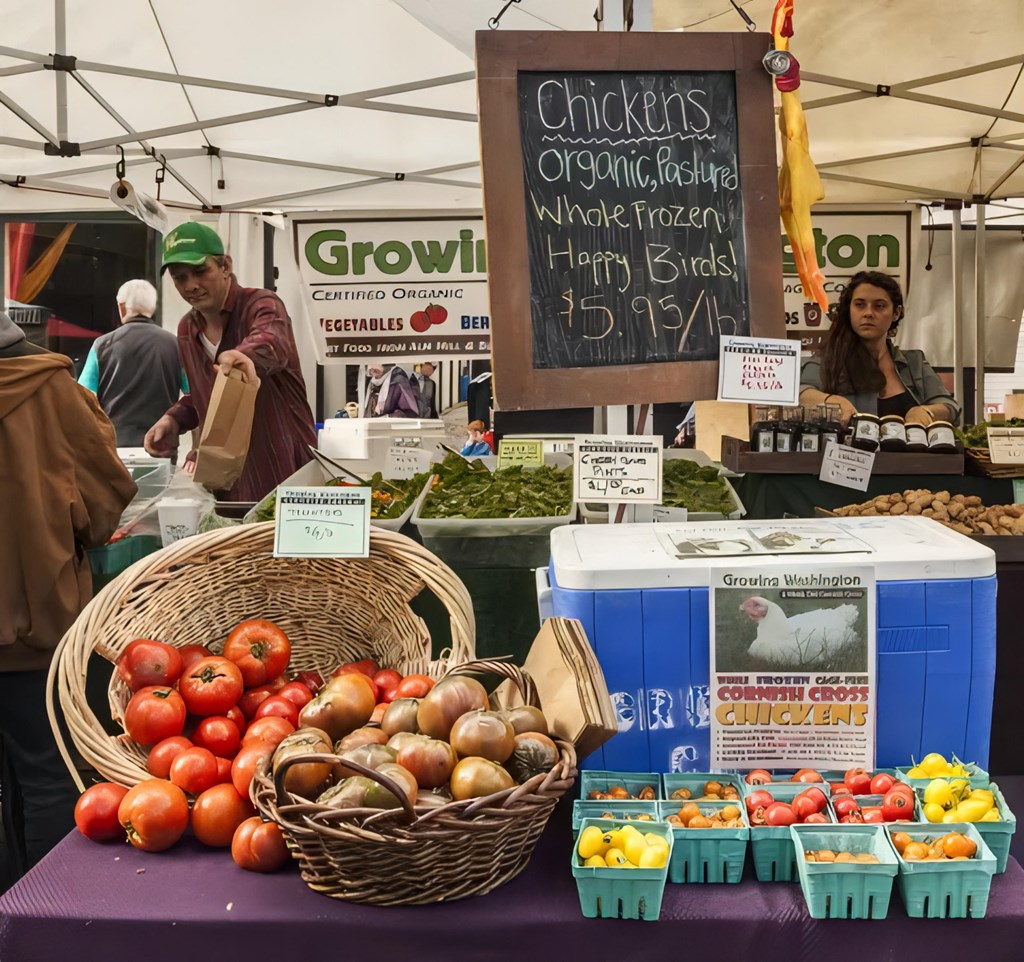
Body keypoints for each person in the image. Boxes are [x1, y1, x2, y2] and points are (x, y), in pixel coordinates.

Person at [0, 311, 136, 889]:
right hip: (36, 625)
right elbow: (107, 495)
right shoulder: (56, 391)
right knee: (47, 774)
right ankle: (44, 915)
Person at [144, 223, 317, 501]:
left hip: (284, 472)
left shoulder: (262, 304)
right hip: (229, 484)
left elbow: (272, 340)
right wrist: (174, 419)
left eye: (201, 271)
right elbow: (206, 394)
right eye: (180, 277)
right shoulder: (187, 329)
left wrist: (243, 356)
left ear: (225, 266)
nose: (191, 285)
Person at [799, 270, 960, 426]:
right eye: (860, 305)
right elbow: (800, 394)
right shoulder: (829, 358)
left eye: (879, 306)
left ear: (896, 313)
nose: (868, 313)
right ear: (849, 310)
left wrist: (926, 411)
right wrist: (832, 402)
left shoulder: (914, 362)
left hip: (910, 454)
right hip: (847, 454)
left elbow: (949, 407)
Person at [77, 279, 187, 447]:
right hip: (161, 442)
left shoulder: (102, 345)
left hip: (114, 444)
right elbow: (193, 395)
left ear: (121, 307)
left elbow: (84, 396)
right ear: (152, 308)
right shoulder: (175, 344)